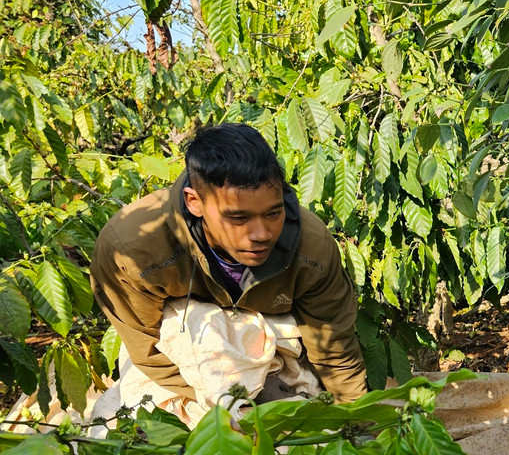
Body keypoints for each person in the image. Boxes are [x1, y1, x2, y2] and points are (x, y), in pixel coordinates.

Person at [91, 123, 369, 404]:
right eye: (238, 218)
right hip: (185, 370)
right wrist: (226, 405)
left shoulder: (311, 247)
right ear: (194, 203)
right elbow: (148, 350)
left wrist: (357, 420)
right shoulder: (132, 251)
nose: (261, 234)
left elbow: (334, 351)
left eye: (273, 213)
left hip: (276, 363)